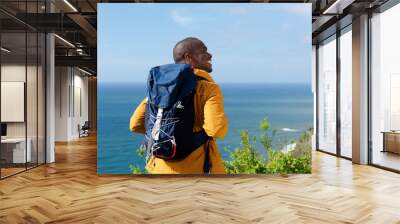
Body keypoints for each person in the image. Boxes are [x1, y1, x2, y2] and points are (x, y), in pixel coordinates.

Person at [129, 37, 228, 174]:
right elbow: (216, 130)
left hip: (159, 169)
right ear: (188, 57)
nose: (210, 55)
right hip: (196, 170)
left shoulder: (160, 89)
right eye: (203, 51)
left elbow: (135, 125)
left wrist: (167, 135)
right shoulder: (208, 88)